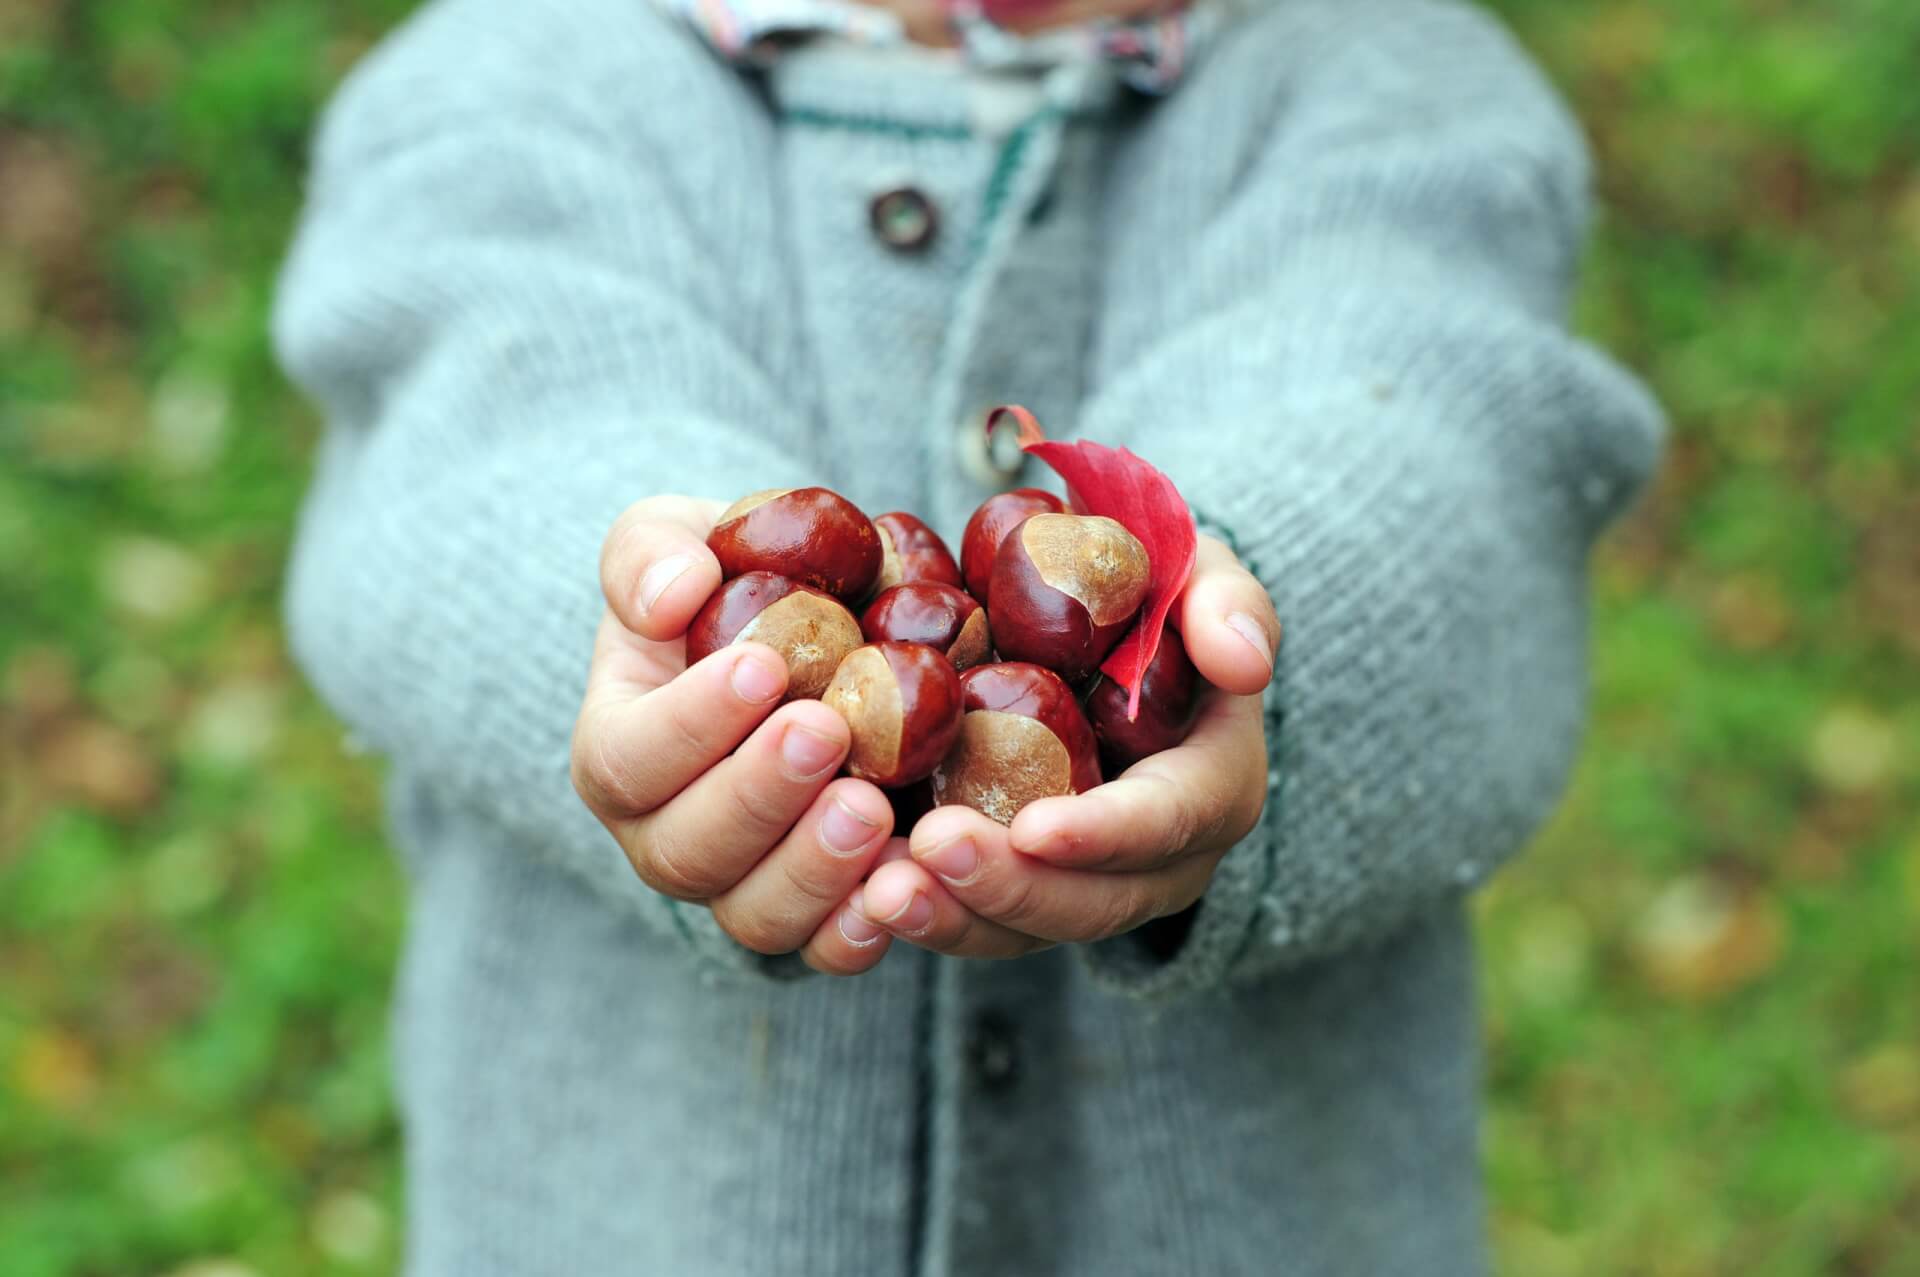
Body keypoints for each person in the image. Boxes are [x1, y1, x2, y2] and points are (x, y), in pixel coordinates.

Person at [274, 0, 1663, 1270]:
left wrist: (1247, 627)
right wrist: (652, 611)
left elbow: (1431, 435)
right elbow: (494, 429)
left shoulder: (1391, 81)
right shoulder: (510, 75)